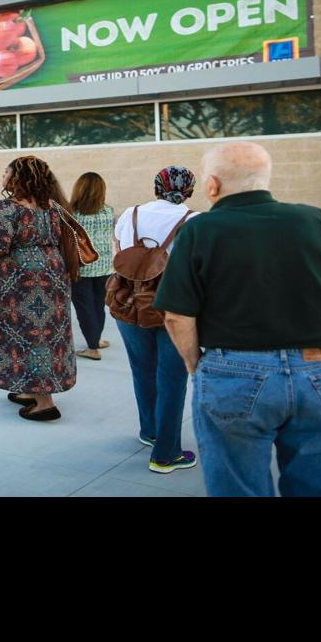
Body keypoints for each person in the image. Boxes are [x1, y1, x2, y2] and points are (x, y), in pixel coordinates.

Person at [154, 142, 321, 497]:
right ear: (265, 178)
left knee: (240, 486)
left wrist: (195, 366)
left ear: (212, 185)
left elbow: (177, 316)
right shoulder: (319, 221)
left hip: (234, 372)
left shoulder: (200, 229)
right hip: (320, 369)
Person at [111, 166, 200, 473]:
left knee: (143, 371)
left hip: (129, 304)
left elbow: (119, 253)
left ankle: (150, 431)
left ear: (155, 188)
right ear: (189, 191)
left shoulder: (130, 214)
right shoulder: (196, 221)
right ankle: (166, 454)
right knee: (172, 379)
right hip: (174, 308)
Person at [0, 156, 76, 421]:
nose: (3, 176)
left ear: (17, 178)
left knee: (25, 335)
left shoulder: (6, 208)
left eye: (6, 172)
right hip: (52, 276)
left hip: (18, 284)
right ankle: (30, 390)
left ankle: (45, 404)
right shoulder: (53, 206)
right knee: (48, 334)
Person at [66, 173, 115, 361]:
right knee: (98, 305)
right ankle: (96, 340)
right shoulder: (108, 212)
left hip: (81, 268)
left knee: (84, 308)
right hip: (104, 268)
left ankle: (93, 348)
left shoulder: (72, 214)